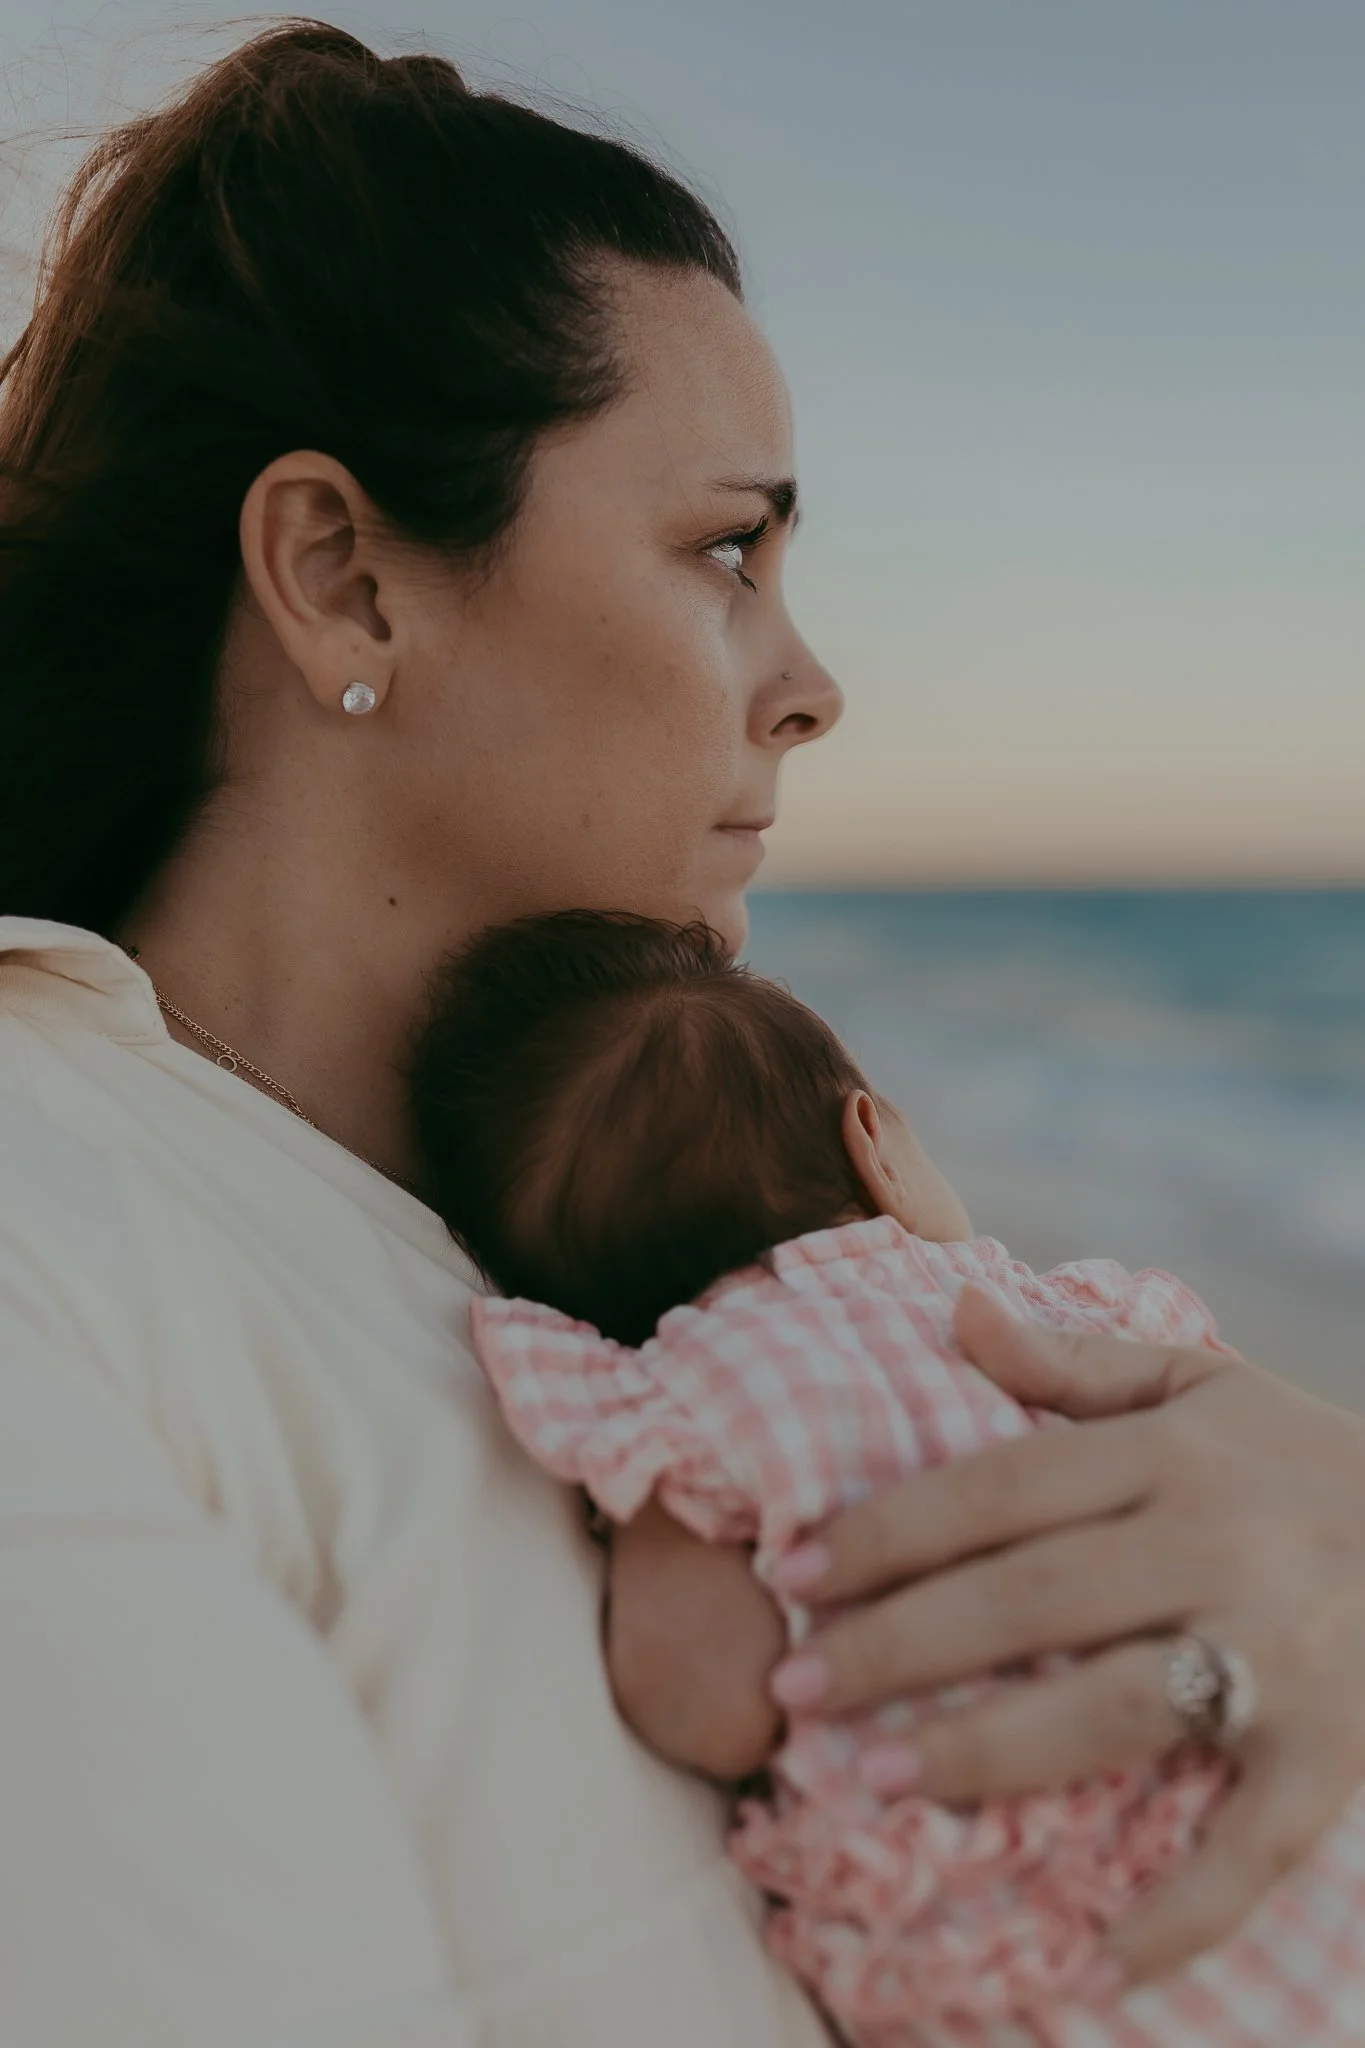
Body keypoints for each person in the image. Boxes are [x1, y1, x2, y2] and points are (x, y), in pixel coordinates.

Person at [0, 16, 1362, 2045]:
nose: (809, 685)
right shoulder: (60, 1262)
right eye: (726, 548)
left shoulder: (677, 1250)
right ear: (343, 578)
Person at [412, 906, 1365, 2044]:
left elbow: (699, 1698)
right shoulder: (1079, 1309)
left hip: (1057, 1954)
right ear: (878, 1142)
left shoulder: (694, 1394)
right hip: (1300, 1846)